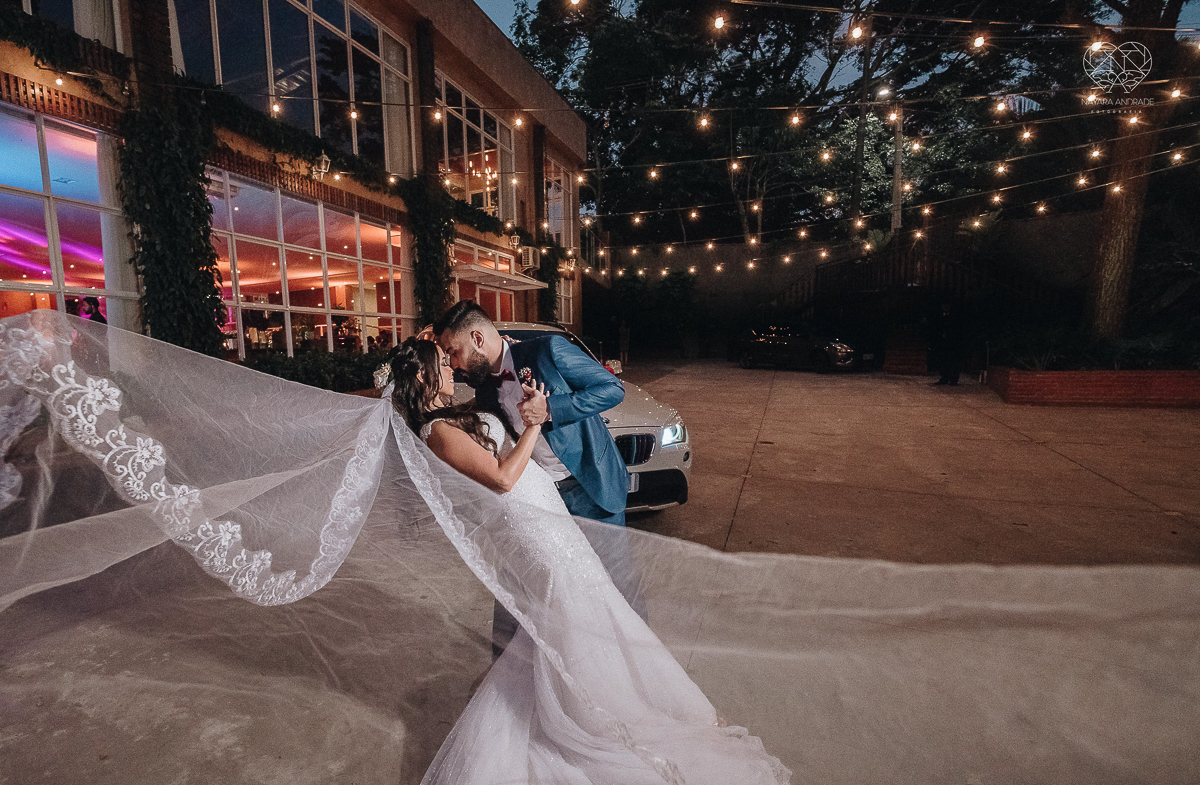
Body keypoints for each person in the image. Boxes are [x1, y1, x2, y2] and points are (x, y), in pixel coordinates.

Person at [387, 337, 787, 784]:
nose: (451, 368)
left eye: (451, 357)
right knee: (573, 611)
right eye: (442, 364)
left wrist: (536, 409)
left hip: (548, 517)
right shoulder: (435, 430)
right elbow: (501, 478)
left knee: (593, 604)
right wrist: (535, 422)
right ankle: (592, 716)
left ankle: (612, 691)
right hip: (531, 529)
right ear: (422, 376)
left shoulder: (454, 412)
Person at [433, 300, 635, 654]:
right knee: (535, 587)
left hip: (592, 486)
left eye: (453, 351)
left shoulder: (549, 351)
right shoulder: (483, 385)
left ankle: (636, 668)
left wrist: (552, 409)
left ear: (478, 338)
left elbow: (612, 389)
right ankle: (519, 671)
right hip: (542, 497)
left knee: (615, 588)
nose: (453, 362)